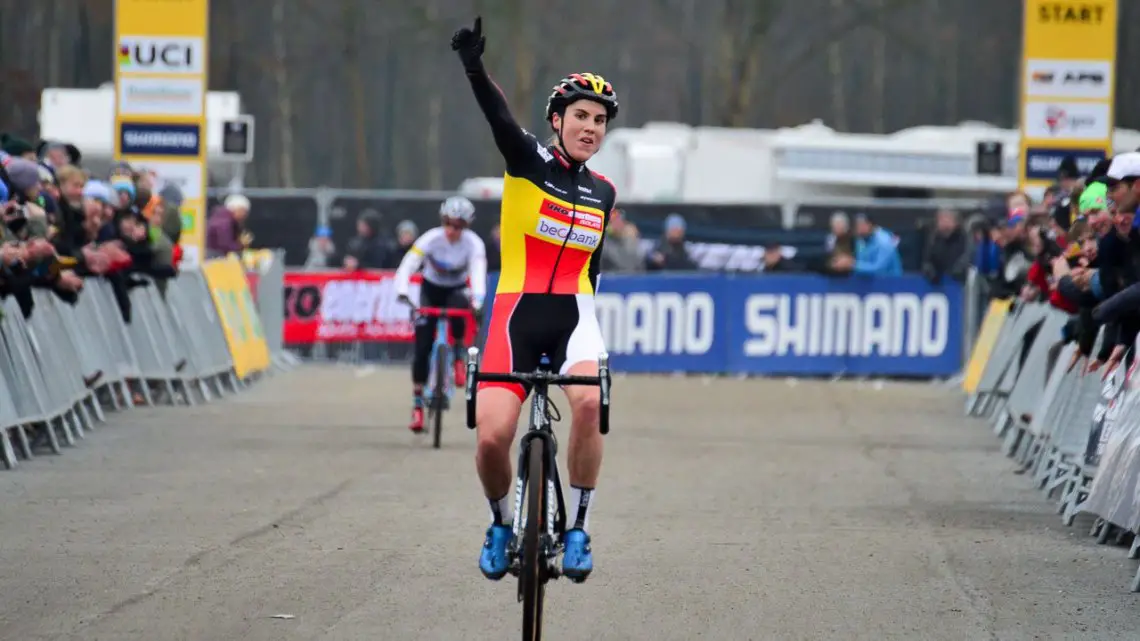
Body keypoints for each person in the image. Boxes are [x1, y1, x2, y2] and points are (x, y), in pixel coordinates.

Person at [452, 16, 618, 583]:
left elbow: (593, 268)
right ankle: (500, 522)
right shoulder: (527, 160)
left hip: (575, 317)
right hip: (514, 315)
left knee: (591, 405)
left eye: (599, 121)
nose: (590, 127)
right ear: (557, 120)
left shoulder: (604, 192)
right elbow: (496, 114)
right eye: (580, 117)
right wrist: (474, 65)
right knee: (493, 438)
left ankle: (578, 529)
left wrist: (592, 341)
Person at [393, 195, 488, 433]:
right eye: (448, 223)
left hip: (456, 289)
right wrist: (403, 291)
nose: (452, 230)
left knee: (461, 304)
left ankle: (457, 354)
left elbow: (477, 273)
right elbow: (408, 265)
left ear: (465, 227)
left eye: (458, 226)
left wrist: (478, 300)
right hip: (430, 290)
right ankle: (417, 405)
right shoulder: (431, 239)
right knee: (422, 346)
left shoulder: (473, 244)